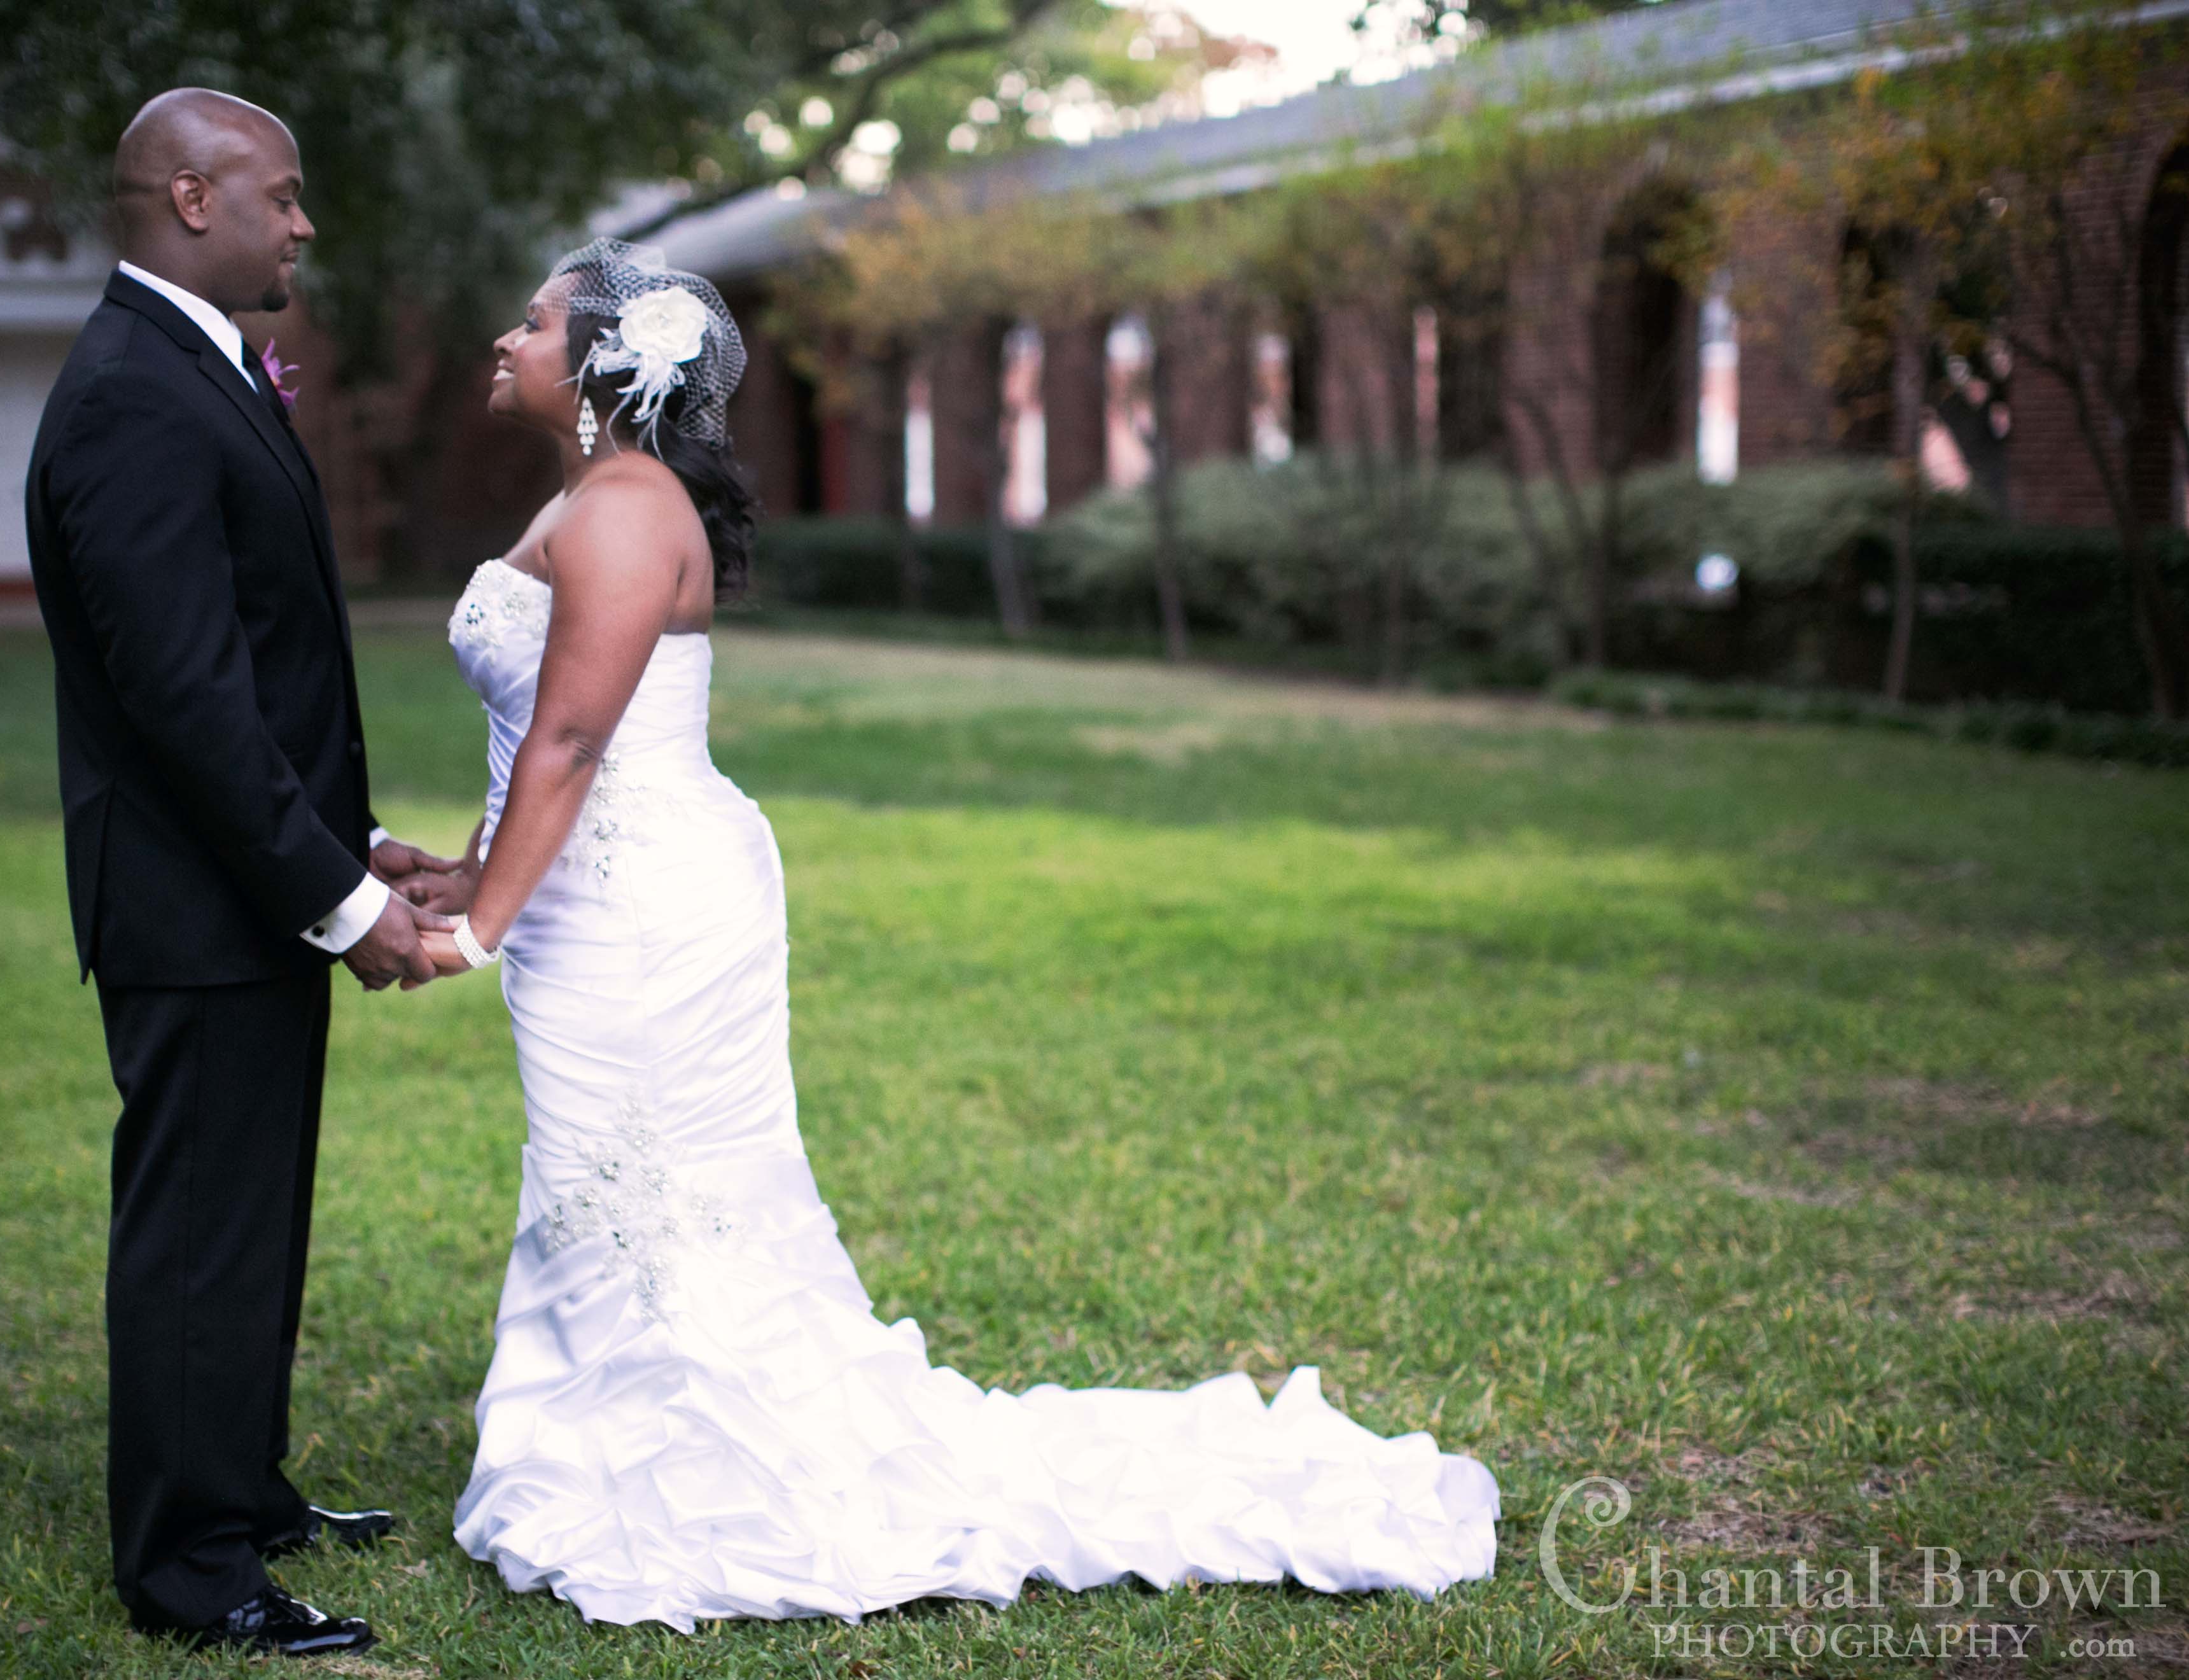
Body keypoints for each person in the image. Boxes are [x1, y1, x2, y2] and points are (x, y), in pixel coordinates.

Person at [401, 237, 1504, 1632]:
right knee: (613, 1173)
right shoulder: (603, 497)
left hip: (642, 903)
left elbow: (573, 737)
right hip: (598, 886)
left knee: (643, 1174)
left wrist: (479, 928)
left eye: (534, 321)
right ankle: (623, 1439)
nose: (507, 338)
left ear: (603, 366)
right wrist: (469, 870)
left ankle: (695, 1468)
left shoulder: (623, 508)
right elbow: (542, 745)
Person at [24, 87, 456, 1656]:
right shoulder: (135, 392)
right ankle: (190, 1568)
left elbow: (247, 669)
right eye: (282, 194)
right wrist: (346, 912)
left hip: (249, 888)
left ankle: (242, 1485)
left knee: (251, 1217)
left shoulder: (194, 366)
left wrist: (348, 850)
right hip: (195, 910)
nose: (304, 222)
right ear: (193, 201)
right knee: (203, 1230)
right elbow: (187, 704)